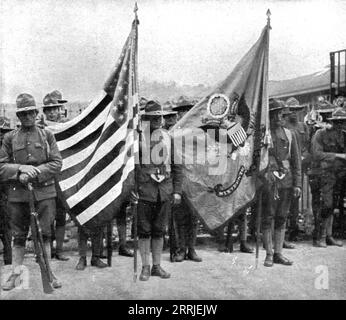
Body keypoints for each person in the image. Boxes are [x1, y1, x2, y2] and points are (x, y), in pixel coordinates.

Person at [0, 93, 62, 290]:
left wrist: (35, 172)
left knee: (44, 235)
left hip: (44, 193)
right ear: (18, 116)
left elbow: (56, 162)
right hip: (18, 195)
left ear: (36, 113)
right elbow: (1, 166)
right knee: (18, 237)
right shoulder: (10, 138)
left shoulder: (46, 135)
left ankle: (49, 273)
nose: (27, 116)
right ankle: (15, 275)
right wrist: (19, 170)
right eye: (23, 113)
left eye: (30, 112)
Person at [133, 100, 183, 281]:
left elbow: (177, 167)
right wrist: (133, 188)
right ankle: (145, 267)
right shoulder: (137, 139)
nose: (156, 120)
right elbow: (131, 168)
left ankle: (156, 266)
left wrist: (177, 191)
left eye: (159, 117)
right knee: (144, 231)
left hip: (165, 191)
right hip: (145, 190)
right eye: (152, 117)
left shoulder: (169, 137)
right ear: (145, 118)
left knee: (159, 230)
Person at [261, 99, 302, 267]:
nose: (280, 117)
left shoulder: (290, 134)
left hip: (286, 180)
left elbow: (296, 161)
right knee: (268, 217)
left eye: (281, 114)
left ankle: (278, 253)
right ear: (270, 115)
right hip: (269, 181)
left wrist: (297, 183)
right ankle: (269, 253)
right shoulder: (264, 134)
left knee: (282, 217)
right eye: (277, 114)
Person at [171, 98, 203, 262]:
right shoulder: (172, 134)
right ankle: (181, 249)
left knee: (194, 217)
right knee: (180, 218)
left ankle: (192, 248)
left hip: (196, 181)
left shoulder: (199, 135)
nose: (185, 114)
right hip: (180, 181)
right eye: (182, 111)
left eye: (188, 111)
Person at [309, 108, 346, 247]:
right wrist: (338, 156)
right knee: (325, 205)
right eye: (337, 122)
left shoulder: (343, 136)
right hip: (321, 174)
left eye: (343, 122)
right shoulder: (320, 134)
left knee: (333, 205)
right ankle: (319, 237)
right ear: (332, 122)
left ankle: (328, 236)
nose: (340, 125)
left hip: (337, 175)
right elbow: (316, 154)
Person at [42, 91, 70, 261]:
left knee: (61, 216)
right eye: (49, 110)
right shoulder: (41, 130)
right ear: (44, 112)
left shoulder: (67, 127)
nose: (52, 112)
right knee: (46, 217)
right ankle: (46, 250)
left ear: (60, 109)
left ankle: (59, 250)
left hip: (63, 177)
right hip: (47, 178)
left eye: (55, 109)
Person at [284, 98, 311, 243]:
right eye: (291, 110)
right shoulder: (284, 126)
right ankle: (284, 229)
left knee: (296, 200)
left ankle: (294, 230)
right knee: (284, 200)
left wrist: (302, 157)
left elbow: (308, 147)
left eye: (296, 111)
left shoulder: (303, 127)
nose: (294, 113)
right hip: (286, 166)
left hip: (300, 167)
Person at [0, 117, 13, 265]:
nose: (1, 135)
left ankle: (8, 260)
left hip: (6, 191)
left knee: (7, 227)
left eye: (4, 132)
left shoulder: (10, 150)